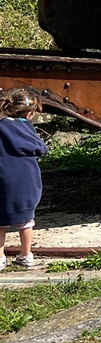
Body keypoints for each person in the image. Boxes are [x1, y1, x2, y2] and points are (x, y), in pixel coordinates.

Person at [0, 88, 48, 268]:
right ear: (29, 113)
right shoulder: (27, 128)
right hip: (29, 181)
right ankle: (26, 255)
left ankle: (0, 258)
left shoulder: (1, 126)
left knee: (1, 220)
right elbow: (41, 149)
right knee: (26, 219)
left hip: (3, 179)